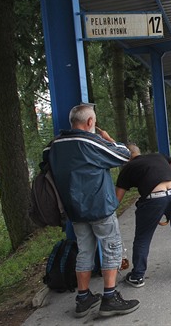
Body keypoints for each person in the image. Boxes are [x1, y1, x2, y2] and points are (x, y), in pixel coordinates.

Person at [44, 104, 139, 318]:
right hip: (99, 207)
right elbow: (124, 154)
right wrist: (107, 138)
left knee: (85, 251)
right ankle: (110, 298)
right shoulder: (89, 141)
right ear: (89, 122)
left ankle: (83, 297)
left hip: (74, 210)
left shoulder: (53, 146)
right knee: (111, 249)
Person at [115, 144, 171, 287]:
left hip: (153, 197)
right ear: (139, 152)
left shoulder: (128, 168)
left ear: (126, 158)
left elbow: (116, 200)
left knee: (143, 237)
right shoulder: (157, 155)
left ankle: (137, 276)